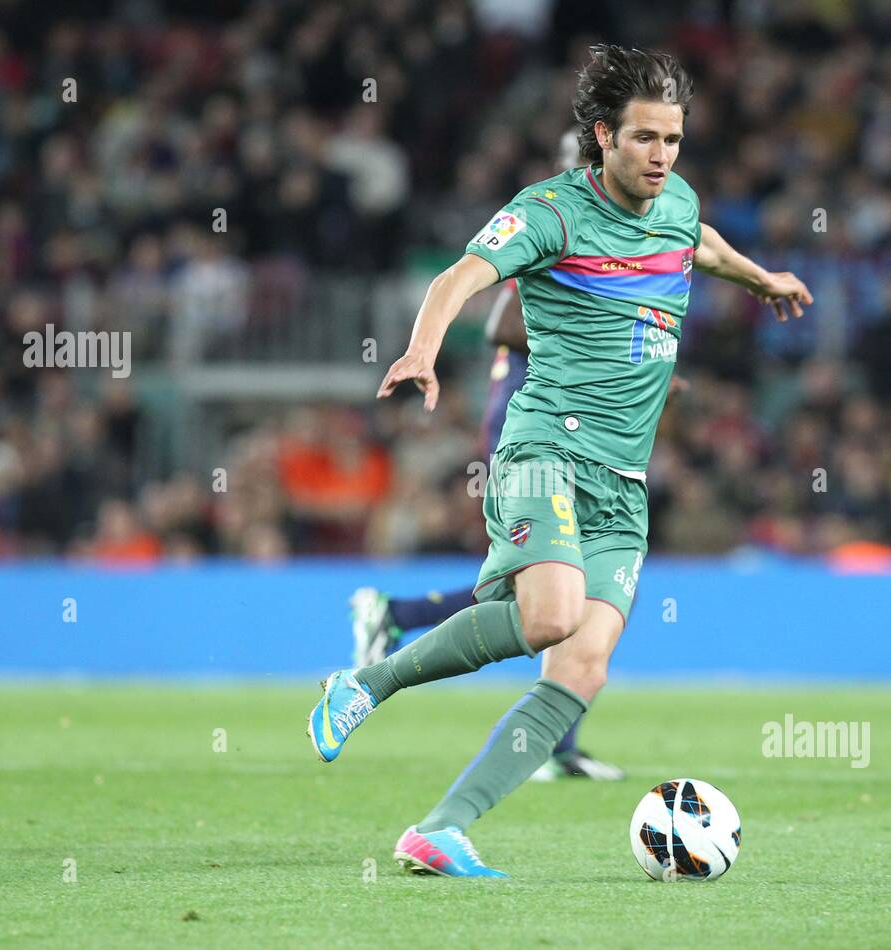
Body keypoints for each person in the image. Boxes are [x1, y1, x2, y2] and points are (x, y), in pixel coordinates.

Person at [308, 44, 812, 877]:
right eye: (645, 139)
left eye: (674, 140)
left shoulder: (676, 204)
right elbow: (459, 277)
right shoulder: (550, 213)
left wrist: (762, 279)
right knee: (549, 617)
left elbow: (704, 244)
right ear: (603, 136)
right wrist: (423, 353)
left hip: (623, 479)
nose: (662, 156)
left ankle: (443, 827)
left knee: (584, 663)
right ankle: (368, 683)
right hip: (546, 448)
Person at [350, 130, 627, 782]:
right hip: (531, 423)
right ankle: (402, 623)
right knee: (562, 585)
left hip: (565, 424)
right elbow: (504, 320)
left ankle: (398, 615)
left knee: (553, 585)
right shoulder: (556, 222)